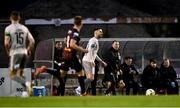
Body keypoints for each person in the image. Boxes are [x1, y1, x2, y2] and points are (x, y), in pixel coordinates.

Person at [4, 11, 35, 97]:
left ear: (10, 18)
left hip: (16, 53)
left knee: (12, 75)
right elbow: (32, 41)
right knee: (21, 73)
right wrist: (28, 49)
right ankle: (25, 92)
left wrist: (8, 51)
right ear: (19, 18)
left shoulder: (8, 28)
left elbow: (6, 43)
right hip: (24, 53)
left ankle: (26, 83)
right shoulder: (24, 28)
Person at [61, 16, 88, 96]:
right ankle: (83, 92)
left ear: (74, 23)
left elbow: (65, 40)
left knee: (62, 74)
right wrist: (83, 50)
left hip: (66, 54)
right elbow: (72, 44)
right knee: (80, 72)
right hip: (72, 55)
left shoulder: (70, 31)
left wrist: (68, 46)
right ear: (81, 23)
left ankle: (60, 93)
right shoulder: (76, 32)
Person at [82, 28, 107, 95]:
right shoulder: (93, 41)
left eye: (102, 32)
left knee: (91, 78)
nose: (102, 33)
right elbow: (90, 51)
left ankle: (83, 92)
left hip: (90, 60)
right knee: (90, 78)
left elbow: (94, 54)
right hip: (88, 60)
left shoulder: (95, 40)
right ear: (95, 32)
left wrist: (101, 61)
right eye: (100, 31)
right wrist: (91, 60)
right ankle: (79, 89)